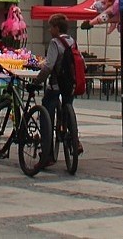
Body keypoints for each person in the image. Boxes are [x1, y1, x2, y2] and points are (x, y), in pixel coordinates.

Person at [34, 13, 82, 162]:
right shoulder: (71, 41)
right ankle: (74, 139)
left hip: (55, 85)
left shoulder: (55, 42)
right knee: (68, 109)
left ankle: (47, 152)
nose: (49, 30)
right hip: (70, 84)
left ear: (56, 27)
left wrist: (37, 81)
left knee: (46, 114)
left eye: (51, 27)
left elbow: (48, 66)